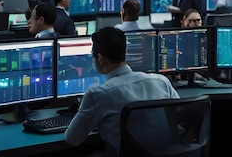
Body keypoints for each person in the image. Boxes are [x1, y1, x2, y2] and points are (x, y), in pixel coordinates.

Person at [64, 27, 180, 155]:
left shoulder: (98, 94)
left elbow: (72, 139)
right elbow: (179, 117)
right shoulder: (161, 81)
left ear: (100, 58)